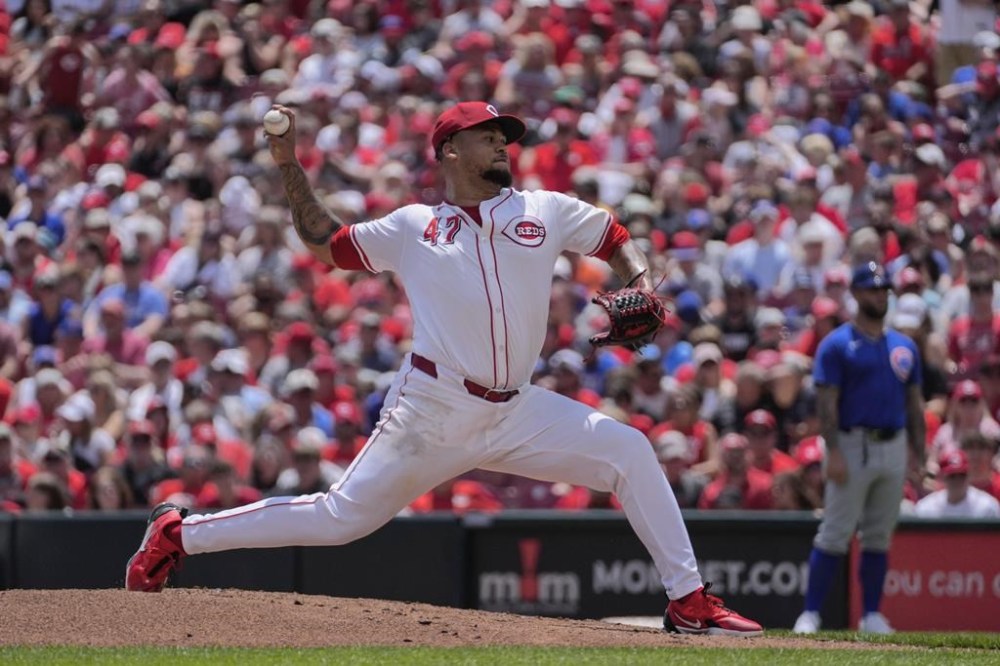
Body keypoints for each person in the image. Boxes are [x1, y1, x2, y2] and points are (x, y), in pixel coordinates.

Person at [124, 101, 763, 636]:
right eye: (487, 135)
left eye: (504, 135)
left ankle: (688, 600)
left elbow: (614, 237)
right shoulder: (414, 227)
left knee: (630, 451)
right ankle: (181, 533)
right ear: (449, 150)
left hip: (517, 409)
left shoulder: (542, 210)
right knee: (339, 519)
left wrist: (641, 285)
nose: (502, 143)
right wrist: (290, 166)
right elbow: (327, 243)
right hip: (433, 408)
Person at [793, 262, 925, 635]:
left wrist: (919, 451)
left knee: (879, 535)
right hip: (852, 443)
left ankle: (871, 614)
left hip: (893, 443)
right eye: (872, 289)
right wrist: (833, 449)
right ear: (855, 293)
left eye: (883, 290)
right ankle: (811, 613)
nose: (879, 296)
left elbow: (914, 403)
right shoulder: (837, 344)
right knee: (835, 532)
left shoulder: (903, 345)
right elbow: (826, 404)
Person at [914, 450, 1000, 519]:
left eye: (962, 475)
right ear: (942, 477)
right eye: (952, 476)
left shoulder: (986, 506)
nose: (957, 481)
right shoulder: (927, 507)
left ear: (969, 475)